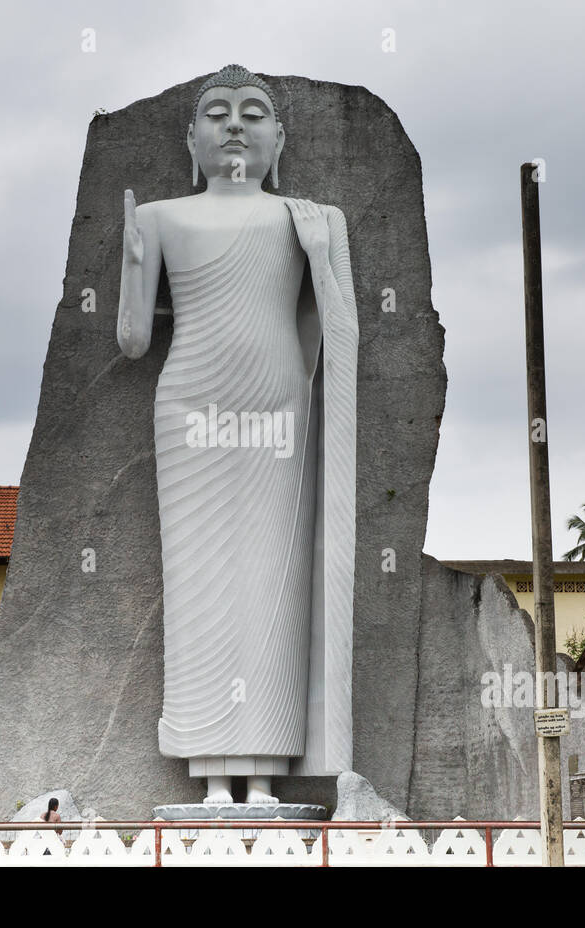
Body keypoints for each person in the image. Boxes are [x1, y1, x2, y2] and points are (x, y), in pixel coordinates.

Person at [117, 64, 358, 805]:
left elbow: (343, 332)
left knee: (270, 581)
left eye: (252, 114)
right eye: (217, 114)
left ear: (277, 138)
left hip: (278, 411)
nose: (234, 126)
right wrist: (131, 263)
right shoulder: (160, 218)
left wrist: (320, 256)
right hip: (190, 408)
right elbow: (131, 342)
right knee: (198, 582)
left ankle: (264, 773)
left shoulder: (312, 219)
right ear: (191, 138)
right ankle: (210, 776)